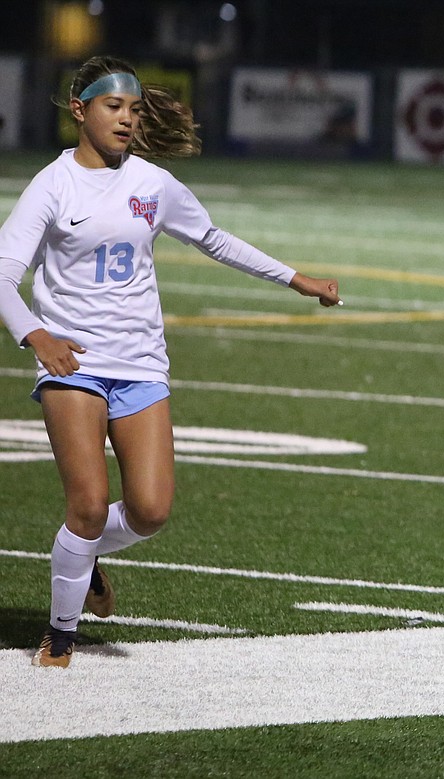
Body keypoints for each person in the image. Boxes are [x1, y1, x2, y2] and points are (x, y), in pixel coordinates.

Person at [0, 56, 342, 668]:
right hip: (73, 363)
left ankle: (85, 554)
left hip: (141, 363)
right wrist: (35, 335)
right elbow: (3, 276)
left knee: (151, 511)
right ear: (80, 111)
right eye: (113, 107)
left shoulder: (151, 184)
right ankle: (61, 633)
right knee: (86, 503)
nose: (127, 120)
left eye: (133, 109)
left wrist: (297, 278)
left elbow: (212, 238)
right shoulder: (53, 184)